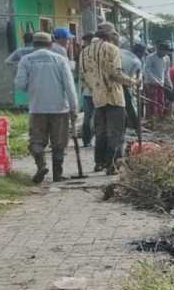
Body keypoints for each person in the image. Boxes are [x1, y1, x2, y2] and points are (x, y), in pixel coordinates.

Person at [14, 32, 77, 183]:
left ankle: (41, 165)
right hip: (59, 108)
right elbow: (69, 86)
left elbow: (20, 84)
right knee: (59, 143)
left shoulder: (26, 60)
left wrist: (32, 87)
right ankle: (57, 175)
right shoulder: (60, 60)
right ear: (50, 44)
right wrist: (74, 108)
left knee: (36, 141)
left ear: (34, 45)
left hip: (37, 108)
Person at [80, 22, 136, 174]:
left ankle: (99, 163)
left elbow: (84, 78)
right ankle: (112, 164)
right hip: (115, 97)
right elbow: (115, 74)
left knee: (101, 132)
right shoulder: (112, 49)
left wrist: (96, 89)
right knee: (116, 132)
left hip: (97, 98)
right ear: (110, 35)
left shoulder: (84, 52)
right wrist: (132, 82)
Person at [118, 38, 142, 131]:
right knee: (129, 105)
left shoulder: (122, 51)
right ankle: (136, 126)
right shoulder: (137, 61)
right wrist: (134, 86)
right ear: (140, 53)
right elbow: (131, 78)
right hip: (123, 82)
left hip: (111, 81)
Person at [142, 42, 171, 120]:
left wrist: (169, 83)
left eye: (166, 52)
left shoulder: (167, 58)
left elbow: (166, 72)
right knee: (152, 101)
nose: (165, 53)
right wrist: (155, 81)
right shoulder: (150, 57)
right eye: (164, 51)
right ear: (158, 50)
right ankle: (151, 119)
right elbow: (147, 71)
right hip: (151, 83)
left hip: (161, 84)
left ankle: (159, 118)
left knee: (161, 101)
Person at [78, 33, 96, 147]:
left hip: (88, 91)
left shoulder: (83, 53)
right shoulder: (100, 52)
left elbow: (81, 74)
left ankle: (87, 140)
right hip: (97, 91)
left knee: (88, 116)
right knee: (95, 117)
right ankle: (89, 139)